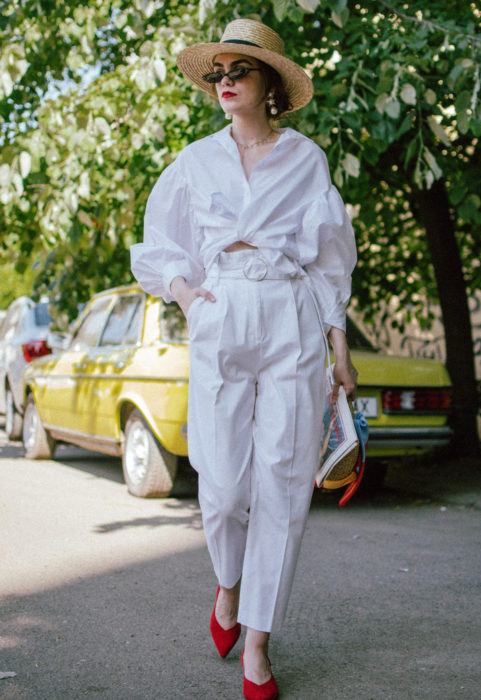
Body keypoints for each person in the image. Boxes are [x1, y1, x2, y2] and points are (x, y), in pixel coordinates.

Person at [131, 18, 358, 700]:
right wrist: (188, 297)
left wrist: (338, 348)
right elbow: (158, 244)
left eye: (240, 72)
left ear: (270, 87)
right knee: (225, 486)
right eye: (217, 74)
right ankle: (227, 587)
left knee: (284, 487)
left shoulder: (306, 160)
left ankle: (257, 640)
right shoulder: (194, 161)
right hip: (220, 312)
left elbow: (327, 263)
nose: (224, 82)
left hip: (289, 315)